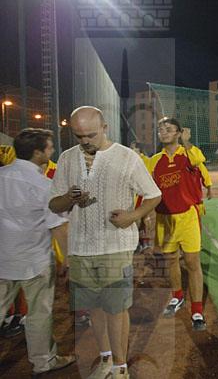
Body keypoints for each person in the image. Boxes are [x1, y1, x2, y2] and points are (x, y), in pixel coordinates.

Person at [49, 107, 161, 379]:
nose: (85, 140)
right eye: (79, 136)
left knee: (116, 309)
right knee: (95, 308)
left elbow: (153, 194)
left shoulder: (126, 157)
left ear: (104, 127)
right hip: (80, 247)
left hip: (116, 246)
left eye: (91, 134)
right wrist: (69, 198)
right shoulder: (67, 158)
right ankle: (105, 359)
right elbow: (54, 204)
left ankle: (120, 368)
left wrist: (132, 216)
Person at [0, 128, 77, 375]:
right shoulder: (43, 185)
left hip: (3, 259)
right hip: (35, 261)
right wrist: (69, 261)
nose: (52, 150)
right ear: (37, 153)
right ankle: (43, 361)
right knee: (39, 314)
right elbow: (59, 227)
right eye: (49, 147)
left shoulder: (2, 176)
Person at [145, 117, 207, 330]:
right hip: (165, 219)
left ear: (179, 133)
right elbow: (149, 189)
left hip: (188, 216)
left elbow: (197, 161)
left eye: (169, 129)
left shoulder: (188, 153)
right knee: (171, 260)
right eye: (160, 129)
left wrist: (187, 142)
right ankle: (177, 296)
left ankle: (197, 310)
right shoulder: (154, 160)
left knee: (192, 262)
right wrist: (147, 215)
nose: (163, 132)